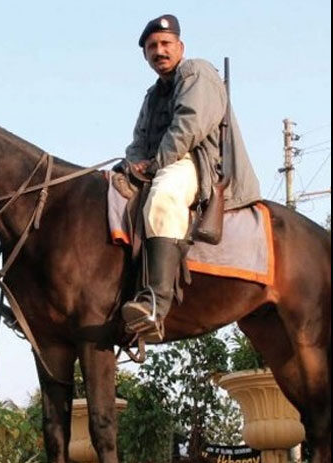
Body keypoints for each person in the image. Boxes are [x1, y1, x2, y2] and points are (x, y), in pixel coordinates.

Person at [121, 14, 260, 341]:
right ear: (145, 56)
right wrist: (133, 163)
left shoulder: (196, 72)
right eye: (152, 46)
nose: (159, 51)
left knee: (165, 196)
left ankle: (156, 301)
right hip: (161, 164)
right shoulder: (152, 95)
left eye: (165, 44)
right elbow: (137, 140)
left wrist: (154, 166)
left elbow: (189, 126)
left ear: (180, 46)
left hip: (198, 164)